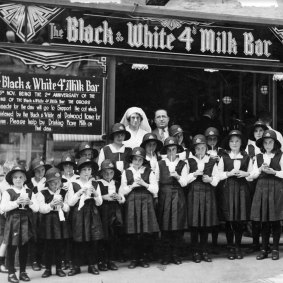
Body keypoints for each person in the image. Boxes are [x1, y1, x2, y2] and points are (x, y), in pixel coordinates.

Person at [119, 147, 159, 269]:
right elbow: (122, 191)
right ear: (132, 160)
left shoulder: (149, 171)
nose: (137, 162)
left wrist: (144, 183)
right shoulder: (126, 172)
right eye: (135, 159)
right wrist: (132, 186)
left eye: (140, 160)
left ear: (143, 160)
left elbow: (155, 189)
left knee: (144, 232)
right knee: (133, 231)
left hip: (146, 202)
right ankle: (134, 258)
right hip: (132, 201)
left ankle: (143, 258)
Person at [218, 130, 253, 260]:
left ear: (241, 142)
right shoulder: (224, 157)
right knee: (229, 219)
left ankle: (238, 246)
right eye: (232, 141)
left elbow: (251, 173)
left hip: (241, 189)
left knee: (239, 219)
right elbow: (218, 174)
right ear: (228, 143)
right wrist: (228, 173)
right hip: (228, 189)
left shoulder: (247, 157)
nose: (234, 143)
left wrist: (245, 174)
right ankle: (230, 247)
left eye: (237, 141)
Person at [1, 165, 39, 283]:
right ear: (12, 179)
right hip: (13, 221)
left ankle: (23, 271)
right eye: (15, 177)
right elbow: (2, 208)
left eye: (21, 177)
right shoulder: (8, 192)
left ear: (24, 179)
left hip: (26, 221)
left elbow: (36, 208)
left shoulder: (29, 192)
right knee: (12, 247)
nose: (18, 179)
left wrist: (30, 202)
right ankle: (11, 272)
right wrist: (16, 202)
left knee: (24, 247)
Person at [250, 130, 283, 260]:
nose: (268, 145)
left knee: (275, 220)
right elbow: (251, 176)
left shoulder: (280, 156)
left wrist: (274, 171)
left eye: (270, 142)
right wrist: (260, 169)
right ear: (262, 144)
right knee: (264, 221)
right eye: (265, 142)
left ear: (275, 144)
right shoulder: (258, 157)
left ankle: (275, 248)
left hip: (276, 188)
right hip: (262, 188)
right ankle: (264, 248)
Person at [67, 157, 103, 276]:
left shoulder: (95, 183)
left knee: (93, 239)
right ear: (79, 171)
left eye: (89, 169)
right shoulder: (73, 184)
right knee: (78, 238)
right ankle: (76, 266)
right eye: (84, 170)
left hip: (92, 212)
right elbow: (71, 202)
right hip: (79, 212)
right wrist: (79, 192)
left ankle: (92, 265)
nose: (87, 172)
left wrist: (96, 193)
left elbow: (99, 202)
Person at [187, 135, 219, 263]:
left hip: (207, 192)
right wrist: (194, 175)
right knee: (195, 223)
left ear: (206, 148)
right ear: (194, 150)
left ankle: (204, 250)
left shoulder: (211, 161)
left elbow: (217, 178)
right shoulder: (189, 161)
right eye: (198, 148)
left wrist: (210, 179)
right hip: (194, 192)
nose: (200, 151)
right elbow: (184, 179)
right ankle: (195, 251)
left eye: (202, 148)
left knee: (205, 222)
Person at [155, 137, 188, 265]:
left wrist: (177, 176)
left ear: (177, 150)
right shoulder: (160, 163)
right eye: (168, 150)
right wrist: (156, 197)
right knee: (165, 226)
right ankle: (165, 255)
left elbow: (184, 183)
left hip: (178, 196)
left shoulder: (182, 164)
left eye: (173, 149)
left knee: (177, 226)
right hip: (164, 195)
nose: (171, 152)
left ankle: (175, 255)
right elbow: (156, 181)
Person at [37, 167, 70, 278]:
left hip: (60, 222)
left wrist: (62, 205)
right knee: (48, 246)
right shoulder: (43, 193)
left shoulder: (64, 192)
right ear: (48, 183)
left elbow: (67, 208)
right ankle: (47, 268)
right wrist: (51, 205)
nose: (55, 185)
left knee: (59, 245)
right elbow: (41, 208)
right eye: (52, 183)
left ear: (61, 182)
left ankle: (59, 268)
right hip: (48, 223)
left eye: (58, 182)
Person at [245, 121, 268, 254]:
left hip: (266, 181)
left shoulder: (269, 145)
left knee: (265, 211)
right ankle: (255, 242)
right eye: (256, 131)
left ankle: (265, 243)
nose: (258, 133)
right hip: (252, 182)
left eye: (261, 130)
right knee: (254, 212)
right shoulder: (250, 147)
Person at [97, 160, 124, 271]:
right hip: (103, 210)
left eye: (111, 173)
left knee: (114, 235)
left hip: (115, 210)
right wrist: (105, 197)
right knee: (104, 235)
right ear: (102, 173)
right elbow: (97, 198)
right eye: (106, 173)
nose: (108, 175)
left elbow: (123, 198)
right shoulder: (98, 183)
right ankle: (102, 261)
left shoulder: (117, 183)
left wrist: (119, 197)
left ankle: (111, 260)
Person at [26, 158, 52, 272]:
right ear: (33, 171)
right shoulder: (29, 183)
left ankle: (42, 260)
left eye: (42, 170)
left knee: (43, 236)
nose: (40, 173)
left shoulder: (47, 181)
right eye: (37, 170)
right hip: (32, 214)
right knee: (33, 237)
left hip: (45, 213)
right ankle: (34, 260)